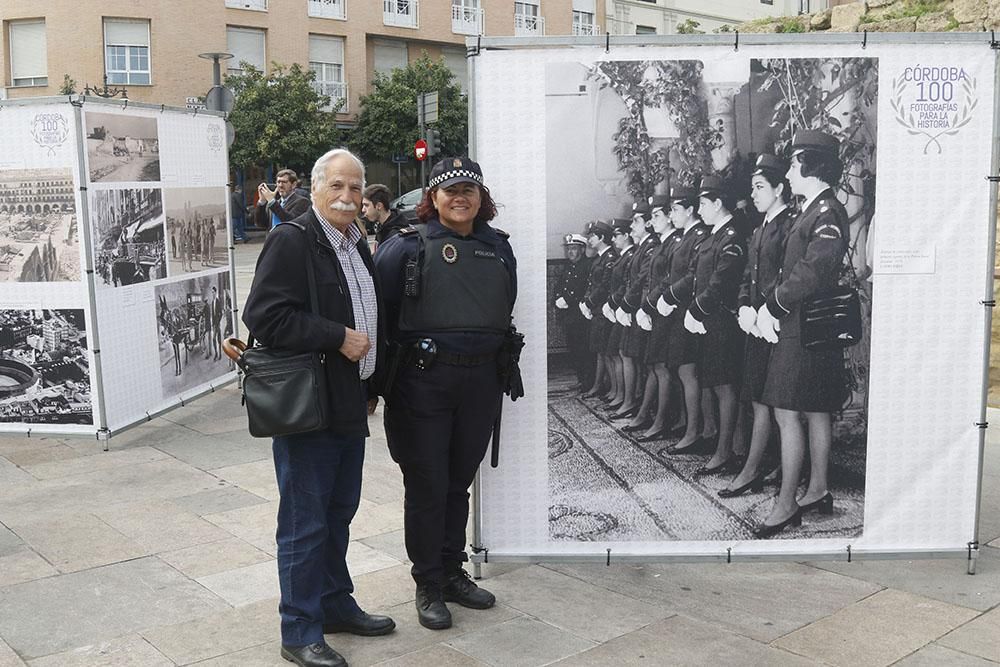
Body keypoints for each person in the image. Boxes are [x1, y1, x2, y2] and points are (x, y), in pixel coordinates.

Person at [243, 148, 395, 667]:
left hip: (349, 401)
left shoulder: (356, 242)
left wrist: (373, 382)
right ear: (314, 189)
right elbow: (265, 317)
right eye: (337, 186)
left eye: (356, 187)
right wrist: (337, 337)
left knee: (338, 513)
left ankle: (333, 604)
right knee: (305, 522)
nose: (348, 197)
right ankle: (300, 629)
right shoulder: (293, 239)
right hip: (309, 408)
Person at [374, 157, 518, 631]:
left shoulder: (499, 248)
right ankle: (428, 582)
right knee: (427, 485)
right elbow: (380, 316)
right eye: (449, 190)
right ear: (431, 199)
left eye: (469, 190)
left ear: (482, 199)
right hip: (423, 383)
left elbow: (504, 306)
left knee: (459, 482)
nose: (460, 198)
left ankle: (453, 572)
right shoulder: (404, 248)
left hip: (480, 383)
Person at [754, 130, 850, 538]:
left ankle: (787, 503)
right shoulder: (812, 208)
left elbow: (813, 270)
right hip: (804, 326)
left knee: (786, 411)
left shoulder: (826, 211)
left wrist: (772, 305)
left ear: (811, 165)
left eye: (794, 164)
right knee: (814, 409)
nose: (789, 172)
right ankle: (818, 489)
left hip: (801, 325)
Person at [720, 154, 794, 498]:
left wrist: (764, 310)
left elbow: (786, 277)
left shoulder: (788, 226)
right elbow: (747, 279)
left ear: (780, 189)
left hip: (776, 326)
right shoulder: (760, 227)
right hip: (755, 325)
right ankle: (764, 464)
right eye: (752, 187)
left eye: (760, 187)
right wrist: (743, 308)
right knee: (758, 398)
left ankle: (754, 469)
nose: (754, 194)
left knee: (771, 401)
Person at [580, 220, 618, 398]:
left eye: (593, 236)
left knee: (604, 351)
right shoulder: (599, 258)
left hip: (603, 310)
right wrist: (586, 301)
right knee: (599, 350)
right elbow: (592, 283)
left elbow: (604, 286)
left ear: (602, 237)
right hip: (596, 310)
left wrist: (589, 302)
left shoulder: (610, 258)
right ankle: (602, 385)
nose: (589, 239)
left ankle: (606, 387)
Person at [553, 233, 593, 390]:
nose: (570, 252)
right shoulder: (569, 267)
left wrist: (567, 300)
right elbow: (560, 286)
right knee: (574, 348)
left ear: (582, 250)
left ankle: (588, 381)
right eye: (568, 248)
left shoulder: (587, 265)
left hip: (580, 315)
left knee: (583, 349)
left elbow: (583, 288)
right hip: (569, 316)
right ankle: (582, 379)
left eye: (574, 248)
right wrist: (557, 298)